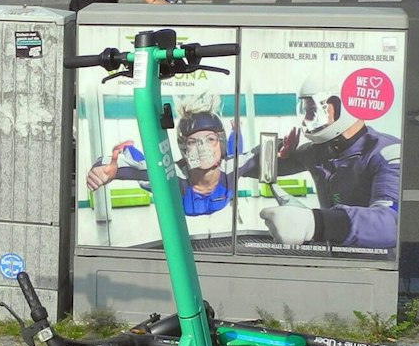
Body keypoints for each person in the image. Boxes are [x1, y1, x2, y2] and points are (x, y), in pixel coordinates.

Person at [242, 74, 401, 250]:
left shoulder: (387, 153)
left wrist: (315, 223)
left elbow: (391, 223)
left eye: (312, 112)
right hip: (333, 255)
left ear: (342, 107)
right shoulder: (320, 151)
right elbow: (257, 168)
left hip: (379, 265)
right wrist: (276, 151)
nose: (305, 121)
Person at [85, 110, 234, 217]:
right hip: (157, 182)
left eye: (210, 139)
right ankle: (127, 148)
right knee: (143, 174)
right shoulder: (172, 175)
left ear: (220, 143)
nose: (202, 148)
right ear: (184, 149)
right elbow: (126, 166)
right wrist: (102, 169)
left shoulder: (232, 168)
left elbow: (250, 155)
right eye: (192, 142)